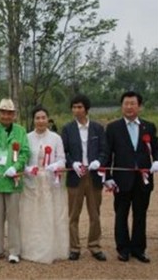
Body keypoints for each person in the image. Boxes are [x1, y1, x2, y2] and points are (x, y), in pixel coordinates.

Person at [104, 91, 158, 263]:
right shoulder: (113, 128)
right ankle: (123, 249)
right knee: (121, 214)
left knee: (140, 214)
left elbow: (156, 147)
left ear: (139, 106)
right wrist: (108, 176)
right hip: (121, 180)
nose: (129, 107)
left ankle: (138, 249)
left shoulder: (148, 126)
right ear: (122, 106)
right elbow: (107, 154)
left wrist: (157, 160)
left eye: (132, 103)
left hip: (143, 179)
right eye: (126, 104)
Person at [61, 95, 108, 261]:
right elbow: (63, 152)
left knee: (95, 213)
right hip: (75, 176)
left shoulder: (97, 128)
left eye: (79, 107)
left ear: (86, 109)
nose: (76, 110)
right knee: (74, 214)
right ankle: (74, 247)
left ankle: (94, 245)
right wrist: (72, 163)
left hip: (93, 175)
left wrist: (98, 161)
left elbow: (105, 151)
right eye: (74, 107)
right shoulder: (67, 129)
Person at [19, 106, 68, 264]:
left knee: (50, 215)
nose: (40, 121)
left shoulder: (56, 138)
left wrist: (55, 166)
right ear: (33, 120)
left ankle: (52, 249)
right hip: (31, 182)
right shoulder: (26, 137)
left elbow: (61, 159)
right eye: (37, 118)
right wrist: (27, 168)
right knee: (31, 216)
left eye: (43, 118)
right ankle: (29, 248)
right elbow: (22, 159)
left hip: (49, 182)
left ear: (48, 119)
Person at [0, 99, 29, 264]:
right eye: (3, 112)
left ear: (14, 115)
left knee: (13, 218)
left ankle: (14, 251)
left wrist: (16, 167)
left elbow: (25, 152)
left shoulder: (21, 131)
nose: (6, 116)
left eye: (9, 113)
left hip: (13, 182)